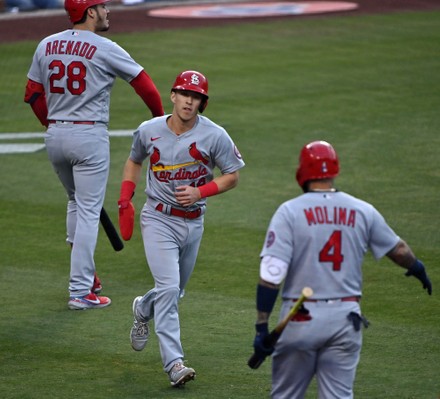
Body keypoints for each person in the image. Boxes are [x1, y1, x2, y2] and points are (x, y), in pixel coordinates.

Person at [251, 140, 432, 399]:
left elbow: (271, 276)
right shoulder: (362, 210)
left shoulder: (289, 212)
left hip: (300, 319)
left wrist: (261, 327)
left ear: (302, 171)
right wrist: (417, 267)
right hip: (345, 320)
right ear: (334, 170)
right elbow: (400, 250)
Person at [24, 0, 164, 310]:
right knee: (88, 211)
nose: (108, 11)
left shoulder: (46, 45)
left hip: (55, 135)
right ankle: (81, 291)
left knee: (76, 204)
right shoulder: (105, 47)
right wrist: (160, 123)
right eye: (103, 6)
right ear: (90, 12)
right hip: (88, 136)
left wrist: (53, 125)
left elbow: (32, 95)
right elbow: (146, 86)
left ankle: (89, 279)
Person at [118, 70, 245, 387]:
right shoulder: (150, 130)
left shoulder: (215, 135)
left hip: (194, 222)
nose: (190, 101)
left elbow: (232, 175)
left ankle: (143, 306)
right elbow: (134, 160)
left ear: (202, 103)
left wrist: (201, 192)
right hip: (158, 219)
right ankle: (174, 364)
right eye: (185, 94)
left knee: (174, 292)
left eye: (197, 96)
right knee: (171, 290)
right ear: (173, 96)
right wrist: (124, 198)